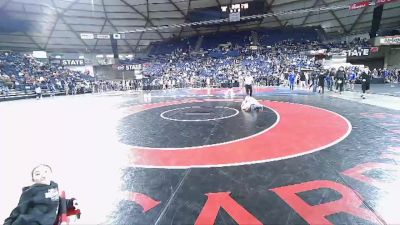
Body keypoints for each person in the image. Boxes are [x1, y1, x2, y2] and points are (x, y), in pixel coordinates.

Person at [4, 164, 80, 225]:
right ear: (33, 179)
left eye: (46, 172)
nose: (42, 175)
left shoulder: (54, 187)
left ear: (51, 174)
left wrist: (71, 202)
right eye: (37, 174)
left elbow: (56, 201)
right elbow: (19, 209)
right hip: (29, 222)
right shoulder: (31, 191)